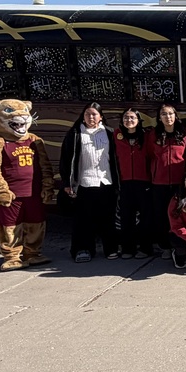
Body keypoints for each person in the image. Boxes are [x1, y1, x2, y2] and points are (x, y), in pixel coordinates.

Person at [60, 102, 120, 262]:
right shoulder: (75, 134)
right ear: (83, 116)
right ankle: (83, 249)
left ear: (101, 116)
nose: (91, 117)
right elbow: (65, 160)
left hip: (106, 182)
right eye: (88, 114)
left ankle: (111, 249)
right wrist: (67, 183)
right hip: (84, 183)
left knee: (108, 219)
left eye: (94, 114)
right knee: (84, 220)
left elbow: (116, 159)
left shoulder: (109, 133)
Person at [147, 104, 186, 255]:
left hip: (179, 182)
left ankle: (179, 244)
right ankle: (164, 246)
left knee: (179, 214)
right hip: (159, 182)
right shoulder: (153, 135)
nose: (168, 117)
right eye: (164, 114)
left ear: (175, 116)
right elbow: (150, 155)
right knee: (161, 214)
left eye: (170, 114)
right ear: (159, 117)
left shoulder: (183, 133)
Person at [114, 108, 155, 259]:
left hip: (143, 181)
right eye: (126, 117)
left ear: (138, 121)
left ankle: (145, 248)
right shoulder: (116, 136)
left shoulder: (146, 137)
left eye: (132, 118)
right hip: (124, 182)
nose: (129, 120)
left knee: (145, 218)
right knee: (126, 217)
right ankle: (127, 249)